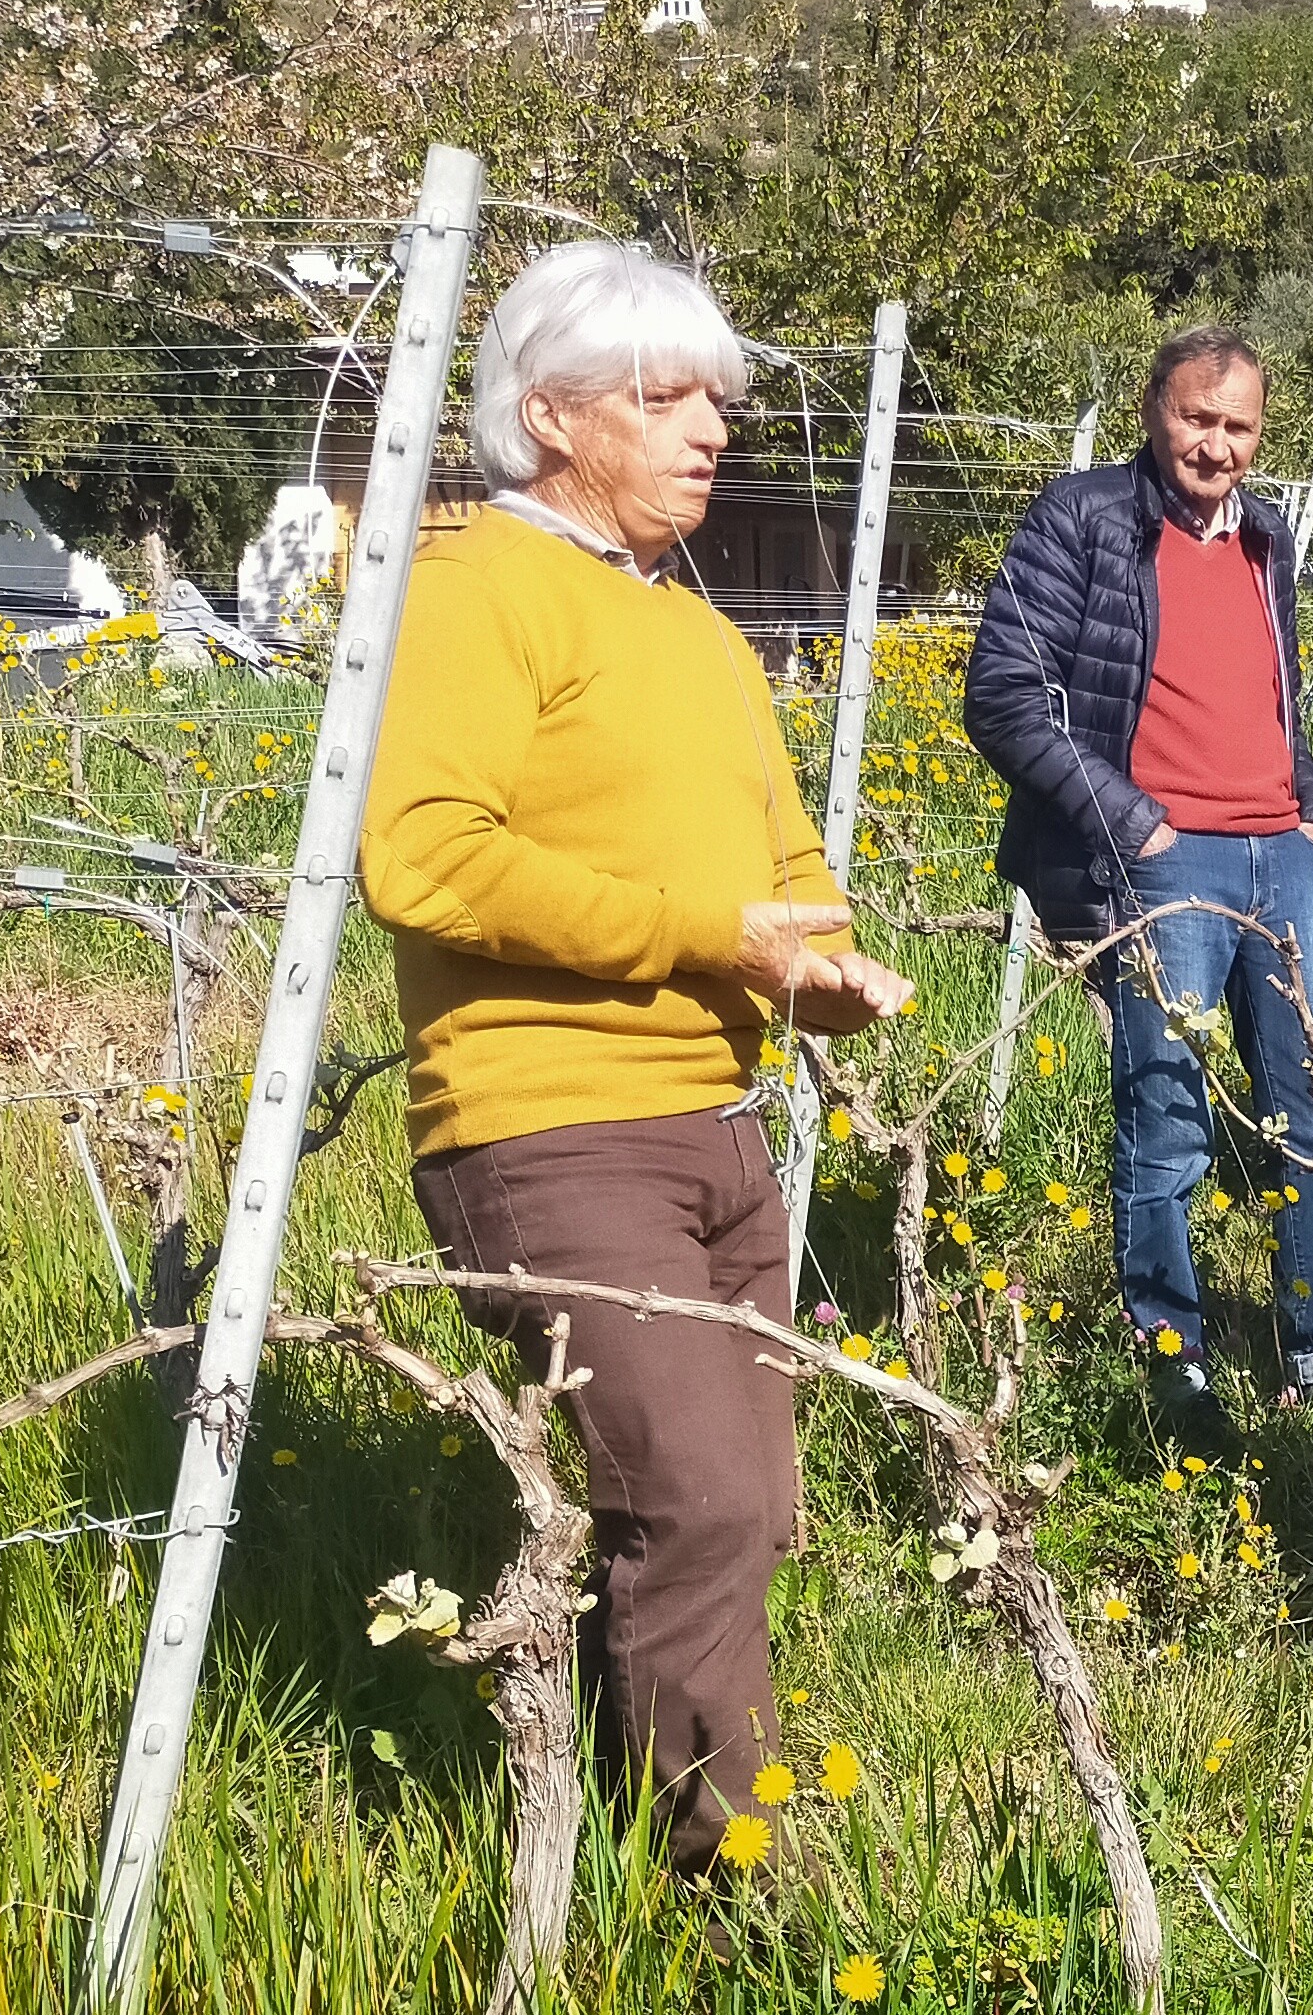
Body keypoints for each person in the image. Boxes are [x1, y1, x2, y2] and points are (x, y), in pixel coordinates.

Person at [363, 240, 915, 1875]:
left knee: (744, 1517)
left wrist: (820, 964)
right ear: (549, 413)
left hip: (716, 1126)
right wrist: (708, 936)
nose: (709, 430)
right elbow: (425, 858)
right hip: (550, 1127)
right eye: (666, 398)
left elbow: (786, 866)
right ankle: (721, 1898)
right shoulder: (475, 582)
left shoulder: (698, 637)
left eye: (716, 402)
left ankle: (671, 1855)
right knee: (702, 1503)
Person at [966, 326, 1313, 1425]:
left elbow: (1279, 701)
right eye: (1196, 418)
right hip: (1165, 861)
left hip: (1280, 862)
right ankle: (1174, 1355)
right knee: (1166, 1112)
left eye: (1238, 426)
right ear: (1153, 410)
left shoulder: (1266, 538)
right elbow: (1002, 695)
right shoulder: (1082, 518)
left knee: (1308, 1109)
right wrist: (1134, 826)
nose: (1216, 445)